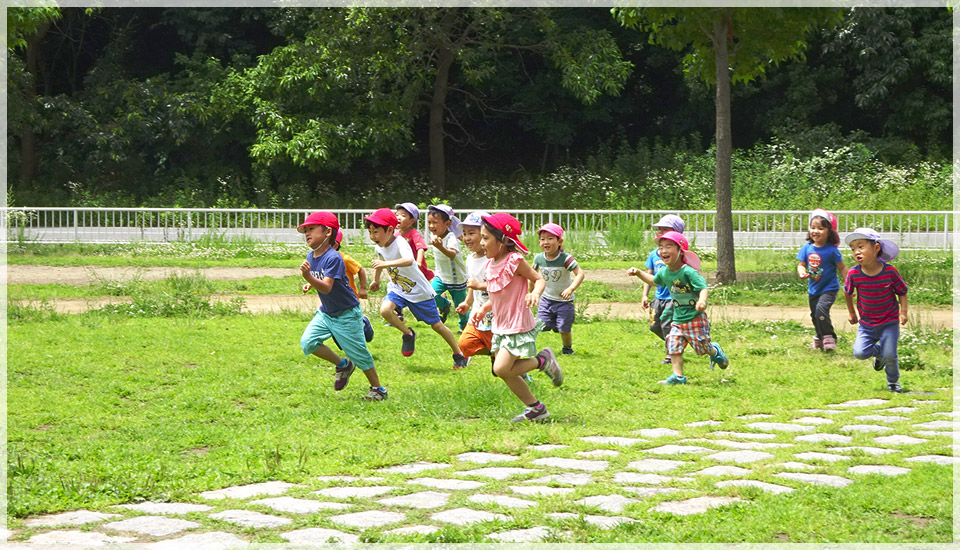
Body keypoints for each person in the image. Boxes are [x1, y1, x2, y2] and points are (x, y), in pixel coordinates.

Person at [471, 213, 564, 422]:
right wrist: (484, 308)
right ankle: (536, 408)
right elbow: (497, 293)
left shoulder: (514, 260)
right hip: (500, 324)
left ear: (503, 240)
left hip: (516, 322)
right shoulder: (490, 264)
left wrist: (535, 293)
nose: (481, 242)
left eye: (485, 238)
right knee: (505, 372)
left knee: (501, 369)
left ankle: (543, 360)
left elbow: (538, 279)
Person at [297, 211, 385, 401]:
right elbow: (321, 276)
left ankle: (378, 389)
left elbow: (327, 287)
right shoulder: (312, 256)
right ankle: (343, 364)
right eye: (305, 230)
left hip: (346, 314)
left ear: (327, 232)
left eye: (311, 229)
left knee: (359, 353)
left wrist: (308, 277)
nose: (307, 233)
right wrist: (310, 283)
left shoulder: (334, 257)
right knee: (308, 342)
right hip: (326, 313)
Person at [365, 208, 468, 369]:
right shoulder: (379, 246)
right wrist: (376, 280)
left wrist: (386, 264)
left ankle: (458, 355)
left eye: (376, 232)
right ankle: (408, 334)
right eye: (370, 232)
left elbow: (409, 260)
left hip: (419, 292)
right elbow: (380, 261)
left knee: (437, 326)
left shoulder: (399, 242)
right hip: (398, 289)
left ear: (390, 230)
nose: (372, 237)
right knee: (385, 311)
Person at [627, 231, 729, 384]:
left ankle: (715, 351)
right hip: (678, 319)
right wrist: (639, 273)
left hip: (694, 318)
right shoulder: (665, 272)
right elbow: (654, 281)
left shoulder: (688, 272)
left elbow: (703, 287)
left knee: (702, 348)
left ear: (680, 251)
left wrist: (702, 301)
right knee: (673, 345)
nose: (663, 251)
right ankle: (678, 377)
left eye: (669, 246)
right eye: (661, 247)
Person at [843, 228, 908, 393]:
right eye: (853, 249)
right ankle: (879, 353)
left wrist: (903, 312)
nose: (856, 252)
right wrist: (852, 313)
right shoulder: (853, 274)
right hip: (867, 324)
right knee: (859, 353)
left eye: (860, 246)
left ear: (876, 247)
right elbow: (848, 292)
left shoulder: (890, 272)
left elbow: (902, 292)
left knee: (890, 355)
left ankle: (893, 383)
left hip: (889, 322)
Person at [796, 209, 847, 352]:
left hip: (829, 288)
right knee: (815, 315)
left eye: (821, 228)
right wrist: (802, 272)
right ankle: (819, 336)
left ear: (829, 232)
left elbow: (843, 268)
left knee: (821, 310)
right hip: (814, 289)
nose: (816, 231)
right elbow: (801, 265)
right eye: (813, 227)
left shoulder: (832, 250)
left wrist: (849, 285)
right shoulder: (807, 248)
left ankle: (829, 336)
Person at [532, 223, 584, 355]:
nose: (546, 242)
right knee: (541, 325)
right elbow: (532, 275)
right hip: (546, 299)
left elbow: (580, 274)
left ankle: (567, 348)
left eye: (550, 238)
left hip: (564, 301)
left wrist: (570, 289)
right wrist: (532, 292)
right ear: (539, 242)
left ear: (559, 241)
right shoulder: (538, 258)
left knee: (564, 328)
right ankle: (553, 324)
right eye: (543, 239)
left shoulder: (565, 259)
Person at [639, 215, 685, 364]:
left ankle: (670, 352)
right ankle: (677, 341)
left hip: (673, 298)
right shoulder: (654, 254)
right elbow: (649, 274)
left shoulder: (680, 255)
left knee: (667, 324)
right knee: (654, 326)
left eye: (664, 229)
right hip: (658, 297)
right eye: (659, 229)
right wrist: (645, 295)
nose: (659, 232)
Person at [456, 211, 494, 365]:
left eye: (471, 233)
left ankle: (522, 373)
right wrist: (467, 302)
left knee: (505, 357)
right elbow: (473, 284)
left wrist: (479, 285)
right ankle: (495, 354)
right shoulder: (470, 259)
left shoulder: (494, 258)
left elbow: (502, 287)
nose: (466, 238)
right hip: (478, 313)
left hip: (498, 314)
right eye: (464, 233)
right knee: (465, 344)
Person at [427, 204, 469, 331]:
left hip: (457, 278)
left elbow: (452, 254)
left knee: (461, 306)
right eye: (429, 222)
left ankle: (464, 327)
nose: (431, 226)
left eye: (435, 222)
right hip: (441, 276)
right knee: (430, 294)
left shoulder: (451, 237)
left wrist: (440, 247)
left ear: (447, 224)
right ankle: (444, 304)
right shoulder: (433, 236)